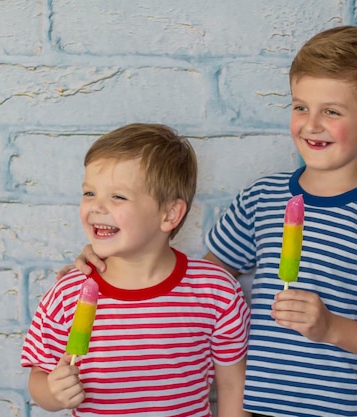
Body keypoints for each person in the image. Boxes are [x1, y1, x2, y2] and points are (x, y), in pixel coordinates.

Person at [65, 26, 357, 417]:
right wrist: (108, 263)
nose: (311, 124)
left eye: (331, 111)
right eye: (300, 107)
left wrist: (332, 328)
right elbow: (198, 286)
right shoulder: (263, 199)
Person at [22, 123, 251, 417]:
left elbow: (233, 387)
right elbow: (38, 380)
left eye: (118, 196)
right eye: (89, 193)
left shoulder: (215, 291)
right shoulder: (67, 294)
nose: (97, 207)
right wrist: (54, 392)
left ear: (169, 214)